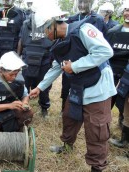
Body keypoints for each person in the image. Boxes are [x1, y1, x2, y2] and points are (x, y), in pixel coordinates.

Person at [29, 2, 116, 171]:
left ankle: (97, 167)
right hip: (78, 86)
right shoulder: (59, 43)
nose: (45, 35)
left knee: (96, 130)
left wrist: (74, 66)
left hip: (98, 88)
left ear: (53, 25)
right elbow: (56, 67)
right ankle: (67, 145)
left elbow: (106, 51)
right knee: (69, 116)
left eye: (45, 30)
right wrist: (39, 87)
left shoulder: (84, 30)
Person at [60, 0, 108, 113]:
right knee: (66, 84)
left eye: (85, 2)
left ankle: (83, 110)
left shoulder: (98, 20)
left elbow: (104, 43)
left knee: (87, 86)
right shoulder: (72, 18)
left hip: (89, 61)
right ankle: (64, 108)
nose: (82, 5)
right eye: (80, 2)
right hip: (71, 59)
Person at [0, 51, 33, 132]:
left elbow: (25, 95)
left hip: (13, 112)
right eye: (11, 74)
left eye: (16, 73)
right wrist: (9, 105)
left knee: (28, 114)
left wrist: (25, 103)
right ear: (1, 70)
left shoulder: (19, 80)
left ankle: (16, 127)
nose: (14, 77)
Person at [17, 13, 54, 117]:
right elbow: (21, 40)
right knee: (24, 84)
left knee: (44, 86)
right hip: (27, 59)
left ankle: (44, 108)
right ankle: (22, 105)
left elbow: (54, 42)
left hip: (44, 59)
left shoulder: (51, 24)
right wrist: (18, 56)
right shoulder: (26, 24)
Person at [107, 1, 129, 154]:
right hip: (112, 71)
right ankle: (104, 130)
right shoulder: (114, 30)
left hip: (128, 75)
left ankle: (124, 132)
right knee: (108, 100)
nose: (128, 13)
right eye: (127, 10)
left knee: (126, 106)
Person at [0, 0, 26, 71]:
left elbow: (22, 34)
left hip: (13, 51)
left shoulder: (20, 13)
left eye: (7, 0)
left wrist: (19, 54)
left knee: (12, 74)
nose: (5, 2)